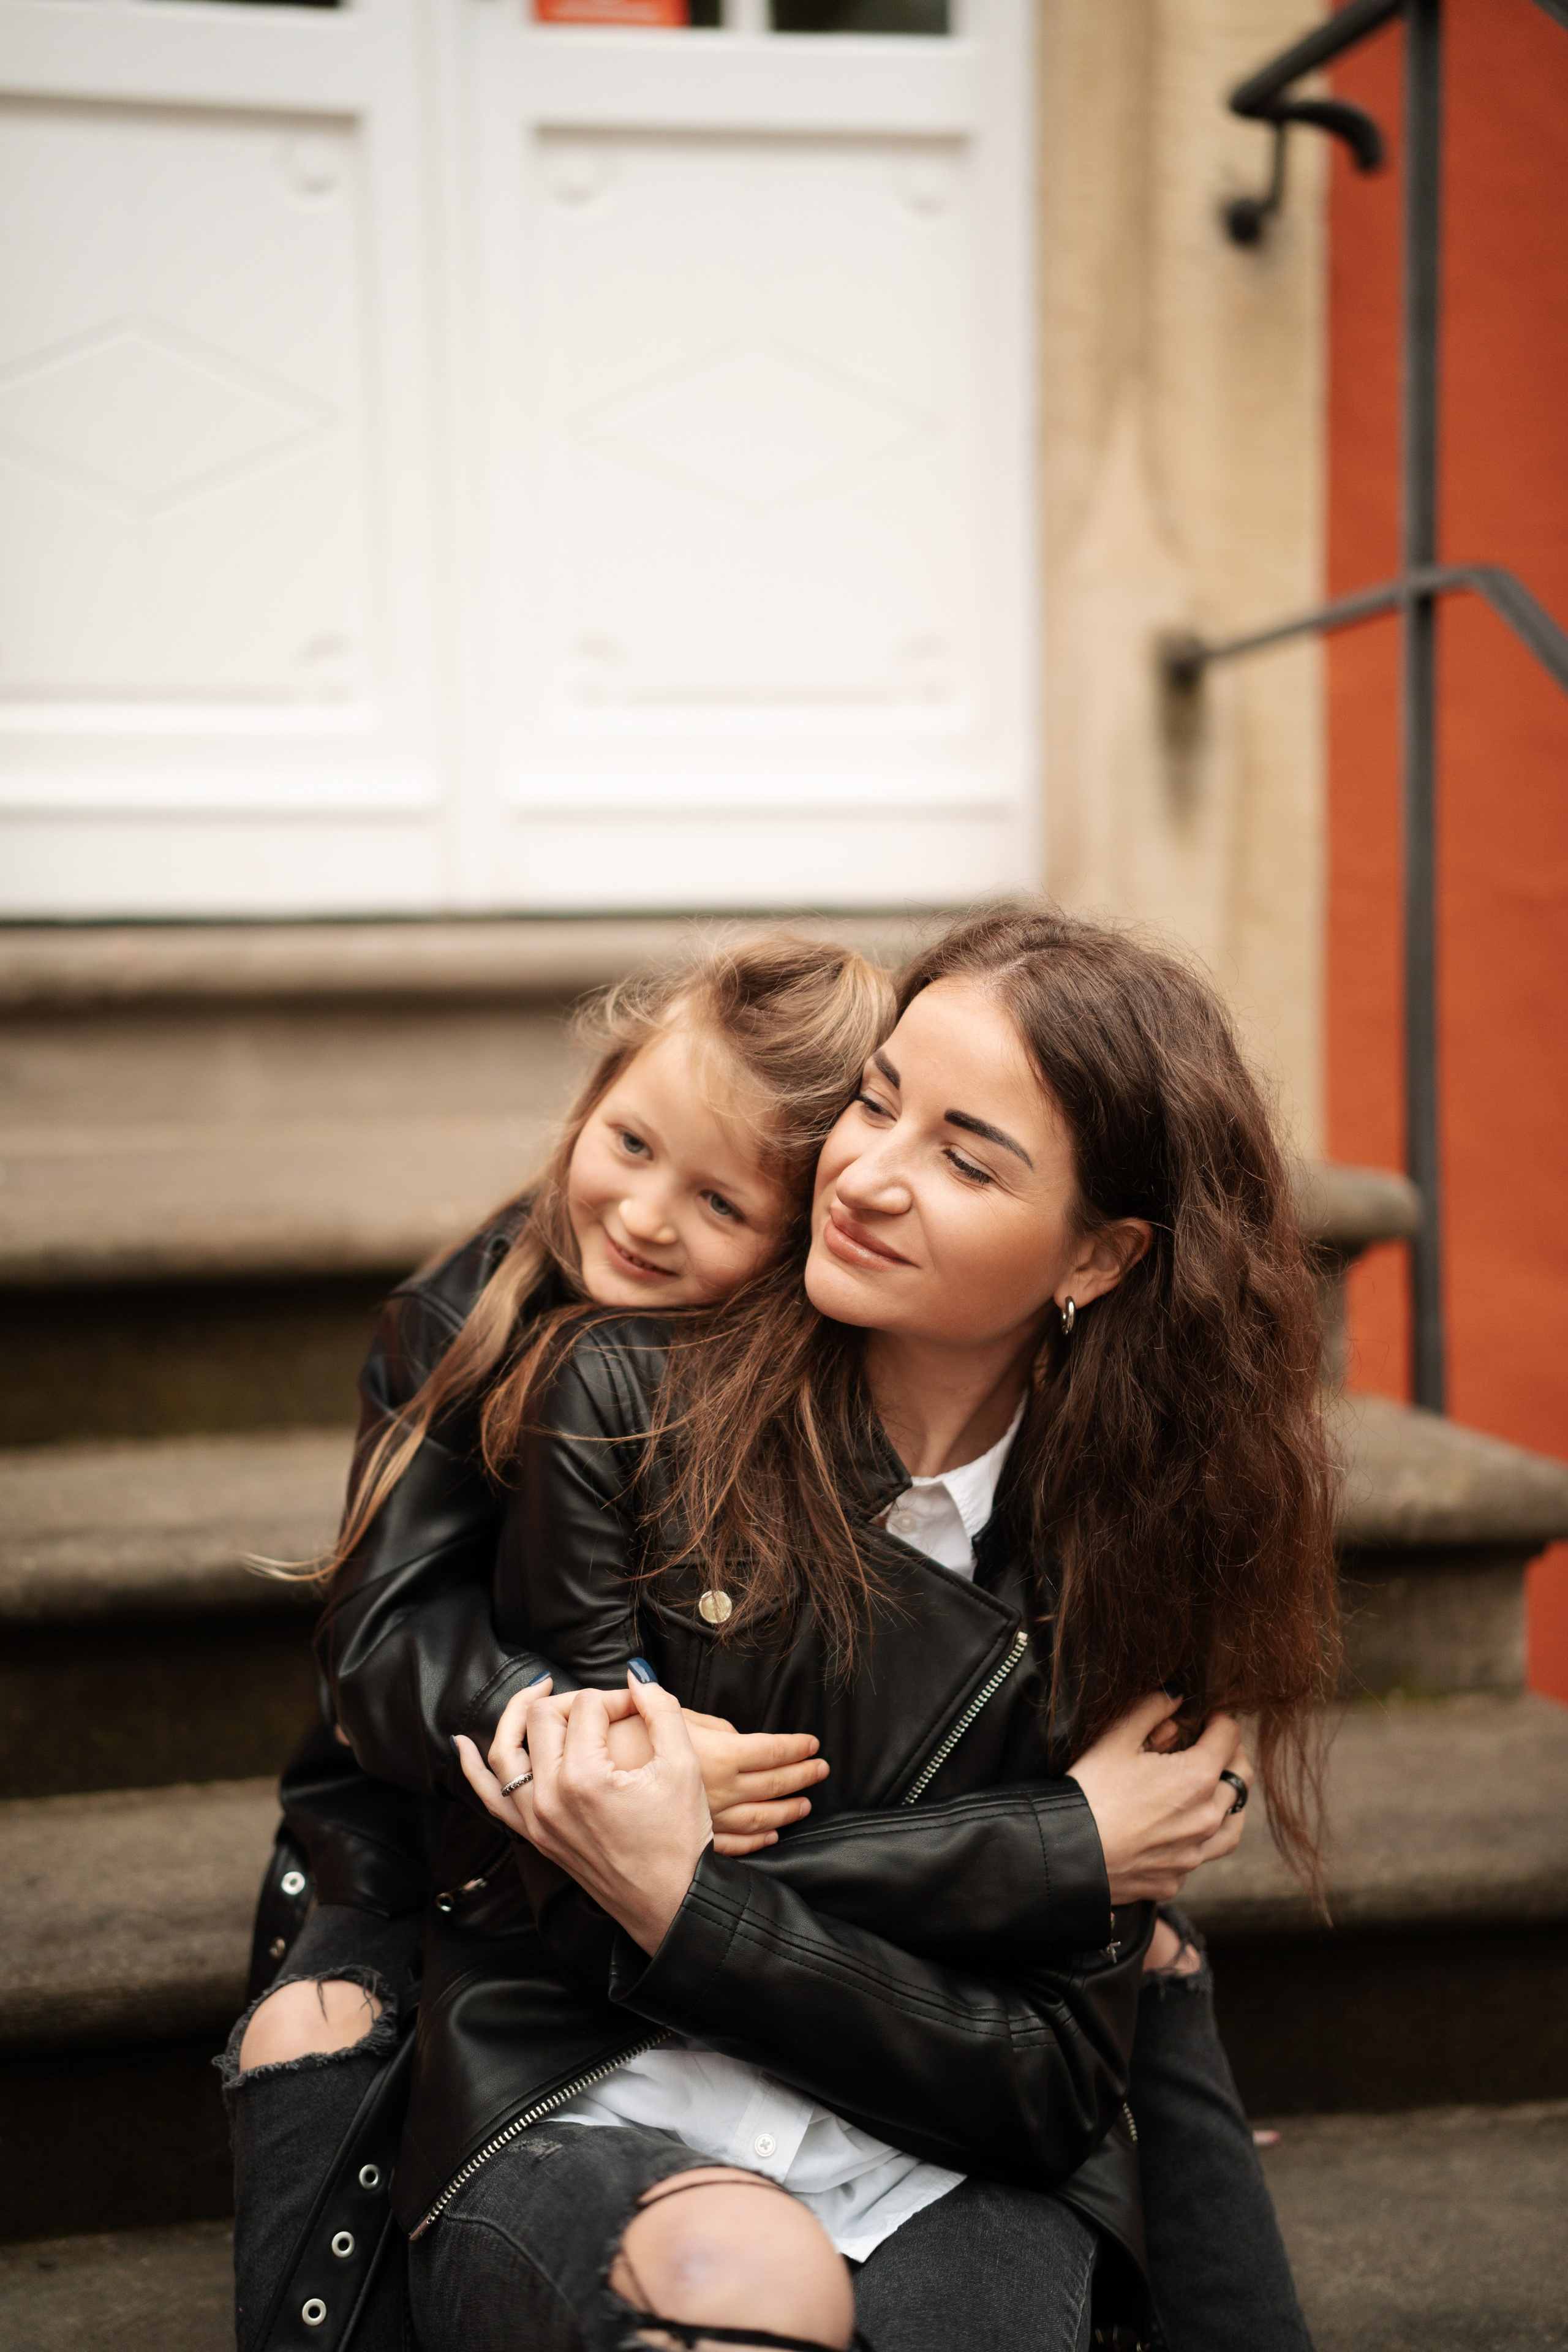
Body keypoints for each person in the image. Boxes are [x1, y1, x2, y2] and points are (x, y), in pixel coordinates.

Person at [403, 907, 1339, 2352]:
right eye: (877, 1102)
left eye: (964, 1160)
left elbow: (1039, 2082)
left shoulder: (1140, 1549)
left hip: (938, 2153)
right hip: (599, 2089)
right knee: (739, 2305)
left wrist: (682, 1887)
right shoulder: (625, 1401)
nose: (867, 1176)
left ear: (1095, 1259)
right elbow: (581, 1914)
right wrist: (1052, 1844)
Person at [222, 932, 895, 2352]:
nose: (645, 1213)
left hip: (710, 1857)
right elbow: (382, 1646)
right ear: (594, 1093)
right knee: (321, 2029)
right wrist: (601, 1737)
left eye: (717, 1199)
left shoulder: (819, 1376)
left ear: (804, 1234)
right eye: (629, 1140)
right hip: (426, 1806)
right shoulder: (462, 1320)